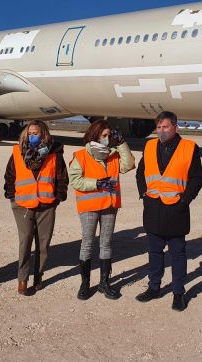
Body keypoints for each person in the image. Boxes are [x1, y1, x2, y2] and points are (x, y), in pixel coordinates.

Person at [135, 111, 202, 312]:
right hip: (153, 208)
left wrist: (184, 200)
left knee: (177, 255)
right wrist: (144, 194)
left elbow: (197, 178)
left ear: (175, 127)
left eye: (165, 127)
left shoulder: (189, 148)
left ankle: (178, 293)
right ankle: (154, 287)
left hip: (176, 210)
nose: (161, 131)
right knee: (154, 252)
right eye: (158, 127)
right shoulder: (149, 146)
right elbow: (141, 172)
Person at [68, 120, 135, 300]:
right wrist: (96, 183)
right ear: (95, 135)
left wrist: (122, 143)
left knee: (106, 244)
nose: (107, 139)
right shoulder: (81, 155)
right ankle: (85, 284)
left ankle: (104, 284)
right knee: (87, 243)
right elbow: (75, 180)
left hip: (110, 206)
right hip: (89, 207)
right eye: (104, 136)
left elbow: (128, 165)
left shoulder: (113, 155)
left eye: (109, 136)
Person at [3, 120, 68, 295]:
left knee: (43, 244)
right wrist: (12, 197)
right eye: (30, 133)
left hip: (46, 204)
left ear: (43, 134)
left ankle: (38, 277)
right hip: (23, 204)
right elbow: (10, 175)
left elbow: (62, 177)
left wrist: (58, 198)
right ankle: (22, 278)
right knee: (25, 241)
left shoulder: (54, 153)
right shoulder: (18, 152)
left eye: (36, 133)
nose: (32, 136)